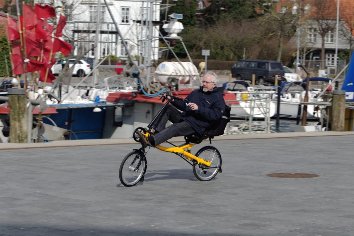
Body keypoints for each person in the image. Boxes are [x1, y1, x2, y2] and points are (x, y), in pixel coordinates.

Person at [139, 71, 226, 147]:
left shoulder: (218, 98)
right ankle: (154, 132)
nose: (203, 84)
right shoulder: (196, 93)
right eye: (203, 81)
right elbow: (184, 105)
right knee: (168, 108)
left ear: (214, 84)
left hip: (197, 125)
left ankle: (152, 141)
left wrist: (198, 108)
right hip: (186, 118)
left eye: (206, 82)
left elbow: (216, 115)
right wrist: (172, 99)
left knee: (174, 127)